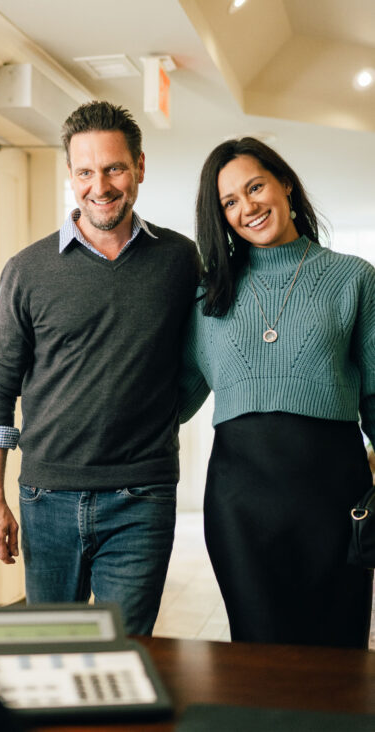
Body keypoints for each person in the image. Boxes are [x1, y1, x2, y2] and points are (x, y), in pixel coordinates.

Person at [0, 101, 200, 635]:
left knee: (127, 652)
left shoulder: (179, 260)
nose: (100, 185)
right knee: (53, 651)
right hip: (45, 496)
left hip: (141, 497)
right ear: (71, 175)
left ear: (139, 167)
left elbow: (206, 358)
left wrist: (166, 415)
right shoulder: (28, 270)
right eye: (85, 171)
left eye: (114, 168)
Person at [180, 137, 375, 648]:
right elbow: (171, 400)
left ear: (284, 183)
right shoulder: (208, 295)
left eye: (255, 186)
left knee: (340, 658)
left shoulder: (354, 278)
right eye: (230, 202)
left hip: (336, 497)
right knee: (259, 658)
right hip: (239, 504)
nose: (248, 207)